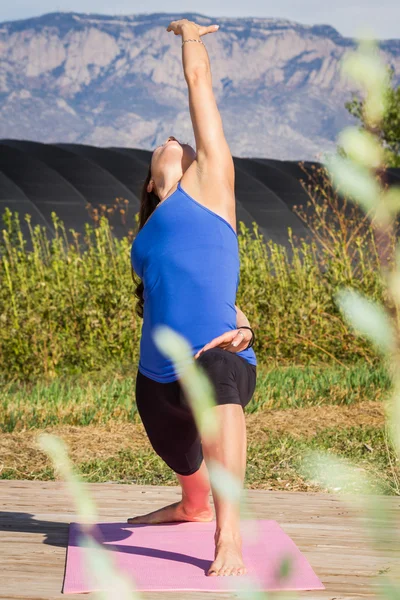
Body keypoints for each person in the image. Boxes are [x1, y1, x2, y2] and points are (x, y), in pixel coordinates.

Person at [129, 18, 258, 577]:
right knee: (179, 456)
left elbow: (199, 86)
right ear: (154, 182)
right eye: (165, 142)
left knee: (216, 372)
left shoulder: (212, 185)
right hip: (157, 378)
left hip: (215, 357)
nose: (174, 139)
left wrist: (189, 35)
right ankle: (192, 505)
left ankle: (227, 537)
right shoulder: (146, 234)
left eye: (181, 141)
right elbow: (171, 291)